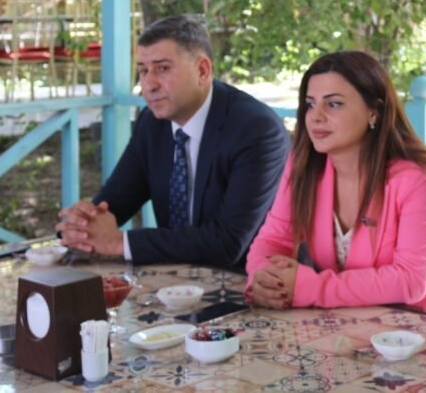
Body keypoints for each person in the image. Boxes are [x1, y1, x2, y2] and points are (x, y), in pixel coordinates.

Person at [245, 51, 426, 317]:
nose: (315, 116)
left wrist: (311, 288)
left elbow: (410, 280)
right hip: (350, 321)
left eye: (333, 104)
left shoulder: (420, 178)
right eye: (310, 104)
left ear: (373, 112)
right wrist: (265, 279)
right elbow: (273, 240)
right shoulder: (303, 164)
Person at [56, 15, 289, 267]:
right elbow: (113, 202)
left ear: (202, 70)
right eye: (143, 71)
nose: (148, 85)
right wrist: (81, 224)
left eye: (163, 68)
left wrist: (119, 243)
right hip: (175, 279)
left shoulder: (256, 130)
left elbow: (228, 243)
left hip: (252, 281)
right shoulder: (152, 123)